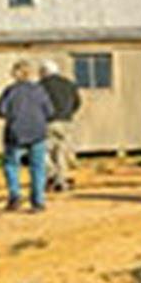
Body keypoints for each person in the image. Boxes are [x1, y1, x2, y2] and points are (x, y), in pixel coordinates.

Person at [0, 60, 54, 211]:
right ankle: (38, 201)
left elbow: (1, 111)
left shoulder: (10, 91)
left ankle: (15, 195)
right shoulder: (39, 90)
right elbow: (50, 111)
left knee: (11, 165)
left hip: (15, 133)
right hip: (37, 132)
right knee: (38, 167)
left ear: (14, 74)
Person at [39, 57, 81, 192]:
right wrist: (69, 113)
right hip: (66, 122)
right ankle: (61, 180)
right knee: (61, 152)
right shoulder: (69, 84)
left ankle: (51, 175)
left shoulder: (40, 85)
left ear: (44, 72)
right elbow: (77, 102)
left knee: (43, 151)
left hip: (47, 122)